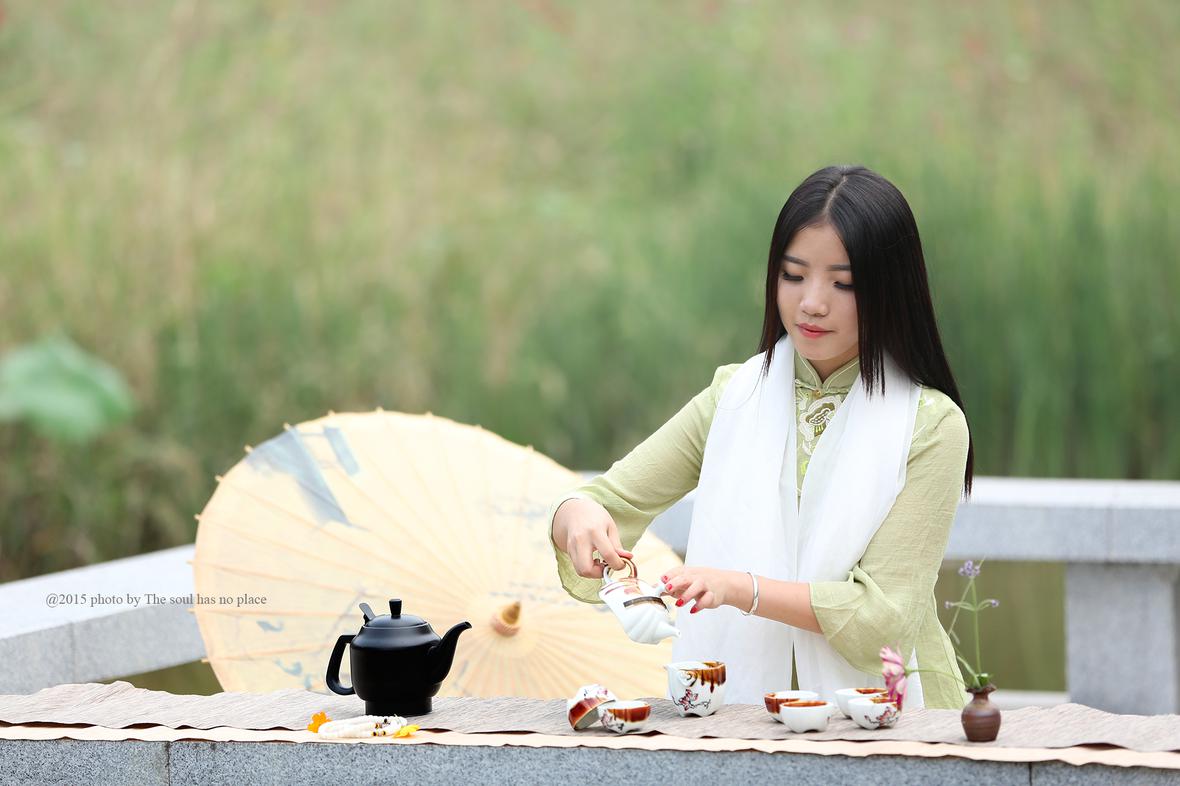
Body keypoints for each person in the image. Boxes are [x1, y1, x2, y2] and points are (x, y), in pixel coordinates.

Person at [548, 164, 975, 709]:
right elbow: (610, 500)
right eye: (793, 276)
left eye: (843, 283)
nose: (812, 302)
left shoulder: (931, 425)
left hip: (893, 715)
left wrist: (740, 588)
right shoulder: (735, 397)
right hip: (742, 715)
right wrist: (576, 515)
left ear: (891, 289)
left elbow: (881, 620)